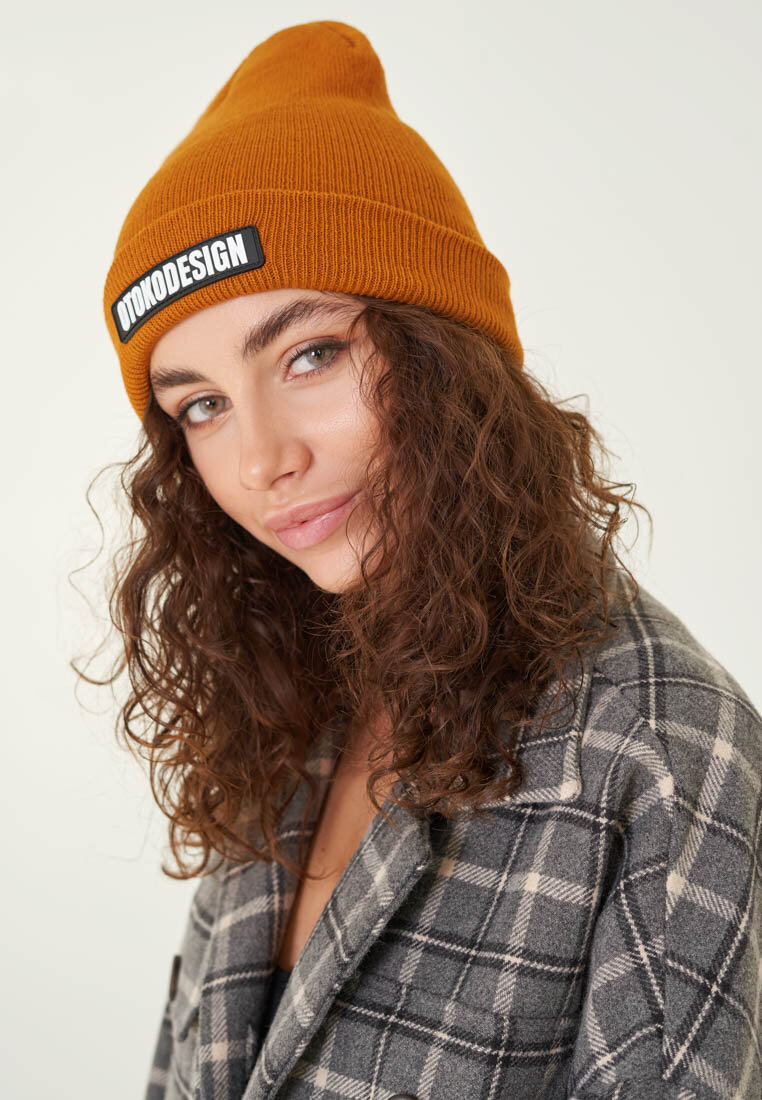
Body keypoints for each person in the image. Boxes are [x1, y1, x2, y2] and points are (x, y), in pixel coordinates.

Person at [88, 19, 761, 1100]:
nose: (262, 459)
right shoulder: (285, 699)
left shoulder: (660, 749)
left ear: (445, 354)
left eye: (310, 354)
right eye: (202, 405)